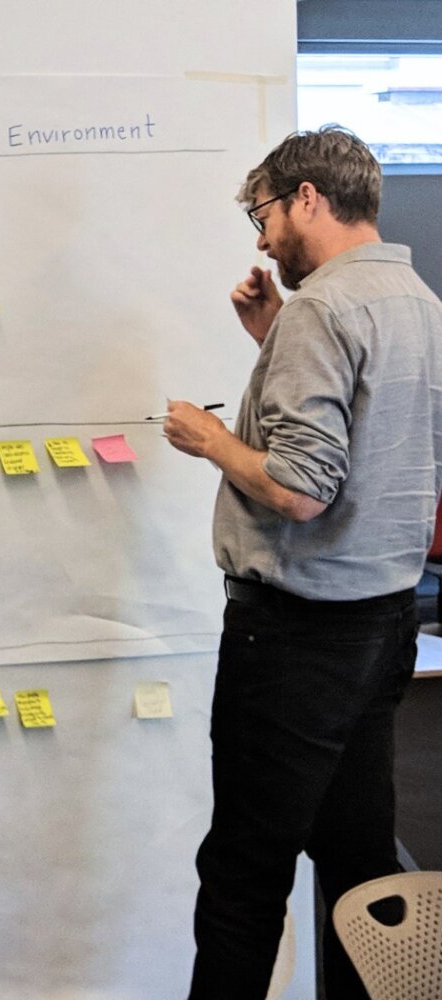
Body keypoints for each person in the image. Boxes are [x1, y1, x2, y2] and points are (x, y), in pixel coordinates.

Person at [163, 126, 442, 999]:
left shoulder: (324, 309)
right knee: (359, 859)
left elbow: (301, 490)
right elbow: (367, 440)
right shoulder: (419, 302)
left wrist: (210, 439)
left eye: (264, 212)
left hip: (294, 639)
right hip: (382, 624)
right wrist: (274, 339)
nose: (260, 237)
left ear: (308, 199)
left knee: (244, 871)